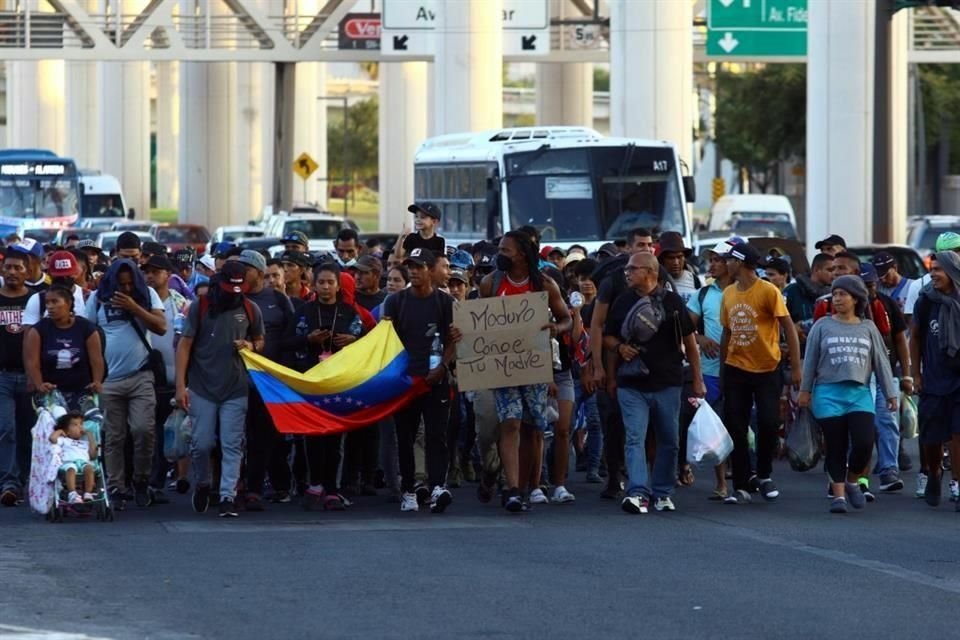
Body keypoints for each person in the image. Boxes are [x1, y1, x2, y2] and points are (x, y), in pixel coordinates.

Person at [476, 233, 572, 512]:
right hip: (504, 367)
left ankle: (529, 485)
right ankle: (513, 489)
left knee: (533, 427)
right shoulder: (490, 283)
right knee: (511, 423)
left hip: (535, 367)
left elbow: (565, 318)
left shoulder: (544, 285)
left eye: (505, 250)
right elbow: (478, 323)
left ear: (521, 254)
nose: (500, 254)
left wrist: (556, 328)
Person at [604, 252, 704, 514]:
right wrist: (620, 349)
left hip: (668, 383)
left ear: (650, 272)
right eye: (626, 269)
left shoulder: (672, 301)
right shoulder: (623, 301)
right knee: (634, 438)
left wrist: (698, 379)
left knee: (669, 440)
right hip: (631, 384)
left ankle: (662, 493)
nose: (627, 273)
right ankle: (638, 493)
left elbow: (690, 342)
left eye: (632, 269)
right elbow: (608, 338)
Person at [799, 275, 898, 513]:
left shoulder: (868, 327)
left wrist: (890, 393)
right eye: (834, 294)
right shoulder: (822, 326)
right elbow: (810, 359)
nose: (837, 299)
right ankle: (839, 496)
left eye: (842, 294)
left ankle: (853, 481)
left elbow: (881, 362)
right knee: (836, 445)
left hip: (859, 393)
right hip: (827, 393)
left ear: (856, 298)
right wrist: (805, 390)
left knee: (864, 442)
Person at [177, 261, 265, 518]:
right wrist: (181, 386)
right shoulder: (200, 307)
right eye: (229, 289)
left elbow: (261, 341)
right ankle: (203, 483)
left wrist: (250, 346)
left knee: (232, 444)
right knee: (201, 443)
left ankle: (228, 495)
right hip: (202, 386)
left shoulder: (250, 308)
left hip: (235, 388)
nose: (234, 294)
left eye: (239, 289)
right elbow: (184, 345)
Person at [720, 241, 801, 504]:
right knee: (736, 426)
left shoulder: (768, 291)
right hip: (736, 369)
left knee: (768, 422)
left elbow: (788, 327)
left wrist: (797, 367)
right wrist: (723, 369)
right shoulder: (729, 293)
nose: (726, 264)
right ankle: (742, 485)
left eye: (730, 260)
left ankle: (764, 474)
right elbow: (727, 332)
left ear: (741, 263)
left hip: (767, 368)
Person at [86, 259, 167, 507]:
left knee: (143, 430)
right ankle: (117, 487)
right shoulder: (98, 298)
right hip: (108, 380)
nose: (127, 288)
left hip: (140, 375)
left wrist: (134, 307)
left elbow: (161, 327)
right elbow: (88, 333)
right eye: (122, 284)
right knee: (114, 436)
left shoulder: (147, 294)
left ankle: (141, 480)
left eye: (131, 283)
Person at [382, 248, 457, 513]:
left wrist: (443, 366)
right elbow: (384, 341)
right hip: (405, 382)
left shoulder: (444, 303)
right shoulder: (396, 301)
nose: (413, 271)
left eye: (419, 266)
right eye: (410, 267)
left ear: (430, 270)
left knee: (437, 435)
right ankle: (409, 490)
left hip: (436, 379)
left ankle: (438, 486)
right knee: (406, 436)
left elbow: (453, 340)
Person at [237, 250, 295, 511]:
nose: (240, 274)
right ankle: (238, 486)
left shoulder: (278, 299)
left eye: (245, 269)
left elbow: (292, 335)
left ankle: (270, 486)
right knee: (238, 435)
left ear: (259, 273)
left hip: (272, 378)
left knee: (268, 434)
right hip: (238, 377)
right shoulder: (234, 298)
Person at [910, 251, 960, 509]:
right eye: (931, 269)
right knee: (931, 438)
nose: (933, 274)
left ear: (952, 271)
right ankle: (934, 472)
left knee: (958, 433)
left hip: (958, 380)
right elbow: (915, 337)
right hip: (933, 379)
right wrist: (915, 374)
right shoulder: (926, 301)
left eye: (939, 269)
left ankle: (959, 484)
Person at [686, 240, 735, 499]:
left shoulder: (745, 291)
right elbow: (685, 329)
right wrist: (700, 338)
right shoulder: (703, 294)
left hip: (741, 369)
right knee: (716, 425)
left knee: (738, 423)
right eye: (711, 259)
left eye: (718, 259)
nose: (713, 264)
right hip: (709, 371)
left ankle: (747, 477)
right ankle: (721, 483)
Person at [142, 254, 189, 498]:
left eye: (156, 271)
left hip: (173, 377)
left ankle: (172, 476)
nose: (150, 276)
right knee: (148, 430)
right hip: (145, 376)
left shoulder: (181, 303)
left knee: (170, 429)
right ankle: (151, 481)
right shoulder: (139, 301)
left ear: (168, 275)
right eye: (147, 271)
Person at [0, 250, 40, 506]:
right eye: (9, 268)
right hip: (2, 377)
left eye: (18, 268)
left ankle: (28, 479)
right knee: (6, 429)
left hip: (30, 377)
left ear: (28, 271)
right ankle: (8, 482)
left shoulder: (36, 301)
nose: (13, 272)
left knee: (29, 431)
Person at [23, 286, 104, 411]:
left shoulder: (86, 328)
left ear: (68, 303)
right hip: (51, 393)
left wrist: (97, 381)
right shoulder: (38, 330)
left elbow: (96, 359)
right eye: (47, 302)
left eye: (55, 302)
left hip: (82, 391)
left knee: (82, 429)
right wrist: (39, 384)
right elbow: (32, 362)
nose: (50, 306)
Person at [783, 252, 834, 350]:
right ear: (816, 270)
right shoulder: (791, 291)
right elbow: (777, 322)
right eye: (829, 270)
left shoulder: (835, 294)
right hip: (799, 351)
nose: (833, 274)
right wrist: (792, 329)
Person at [49, 412, 98, 505]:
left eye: (81, 424)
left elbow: (93, 456)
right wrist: (60, 431)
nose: (80, 427)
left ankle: (88, 493)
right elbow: (52, 439)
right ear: (67, 431)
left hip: (83, 462)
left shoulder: (85, 442)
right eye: (75, 425)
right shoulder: (64, 440)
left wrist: (90, 435)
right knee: (71, 469)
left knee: (89, 468)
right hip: (68, 462)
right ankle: (72, 493)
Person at [657, 231, 700, 303]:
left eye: (679, 257)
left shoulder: (694, 280)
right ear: (663, 259)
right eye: (671, 258)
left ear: (684, 258)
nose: (676, 262)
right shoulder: (657, 282)